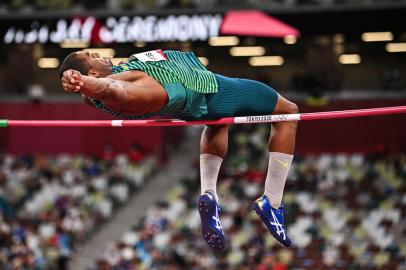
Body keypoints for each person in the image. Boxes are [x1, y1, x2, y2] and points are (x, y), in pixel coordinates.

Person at [60, 49, 298, 249]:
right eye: (91, 55)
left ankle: (209, 194)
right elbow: (107, 88)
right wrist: (80, 81)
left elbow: (100, 90)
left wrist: (83, 85)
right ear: (91, 72)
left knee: (219, 122)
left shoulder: (124, 72)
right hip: (207, 88)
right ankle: (272, 202)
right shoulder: (121, 84)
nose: (98, 53)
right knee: (288, 112)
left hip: (189, 92)